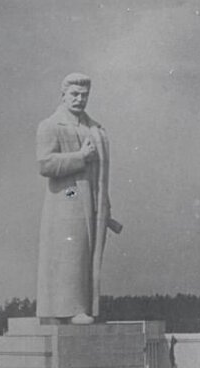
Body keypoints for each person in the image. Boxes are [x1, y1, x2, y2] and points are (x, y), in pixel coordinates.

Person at [36, 73, 121, 324]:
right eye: (74, 94)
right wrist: (80, 156)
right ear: (63, 95)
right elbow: (45, 164)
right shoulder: (50, 125)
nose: (79, 99)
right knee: (71, 252)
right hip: (67, 196)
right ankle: (69, 309)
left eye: (84, 95)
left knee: (87, 254)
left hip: (92, 200)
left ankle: (85, 306)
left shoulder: (95, 129)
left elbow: (100, 174)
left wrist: (104, 201)